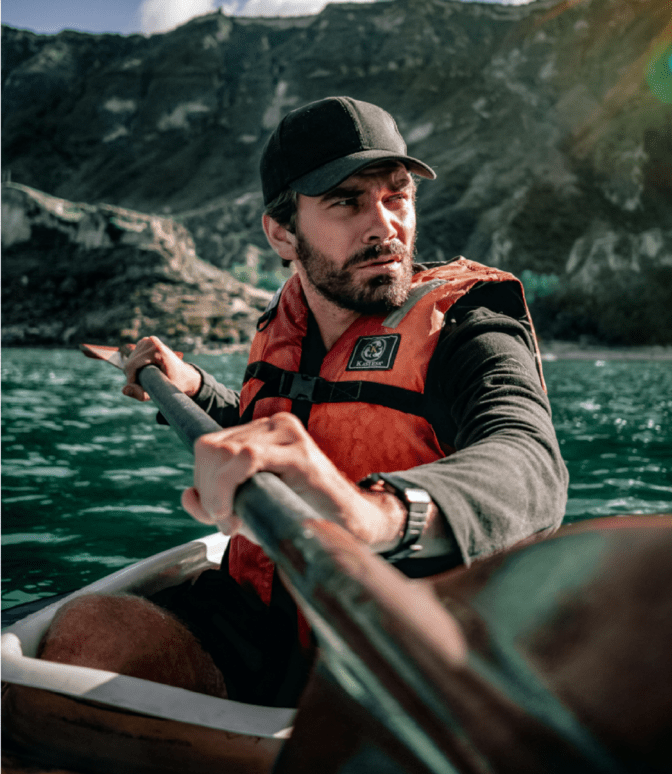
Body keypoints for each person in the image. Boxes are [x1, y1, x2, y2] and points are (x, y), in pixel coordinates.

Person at [40, 96, 569, 705]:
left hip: (394, 657)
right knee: (89, 633)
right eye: (346, 201)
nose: (384, 224)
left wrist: (378, 514)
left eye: (396, 196)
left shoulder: (469, 327)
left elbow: (530, 461)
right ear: (281, 232)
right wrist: (194, 390)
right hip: (259, 620)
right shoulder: (284, 325)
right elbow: (280, 426)